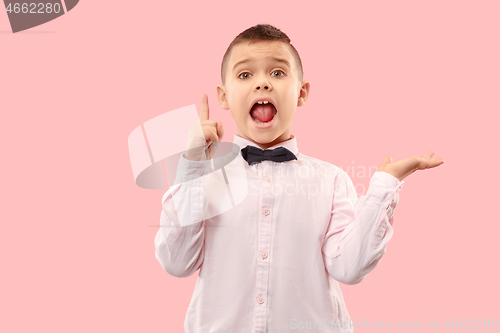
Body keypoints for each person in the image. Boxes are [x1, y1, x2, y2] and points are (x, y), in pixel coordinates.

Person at [154, 24, 444, 333]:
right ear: (224, 97)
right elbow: (176, 262)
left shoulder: (331, 180)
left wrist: (384, 186)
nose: (262, 84)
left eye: (277, 73)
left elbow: (348, 268)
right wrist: (193, 167)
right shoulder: (203, 180)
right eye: (245, 75)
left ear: (302, 92)